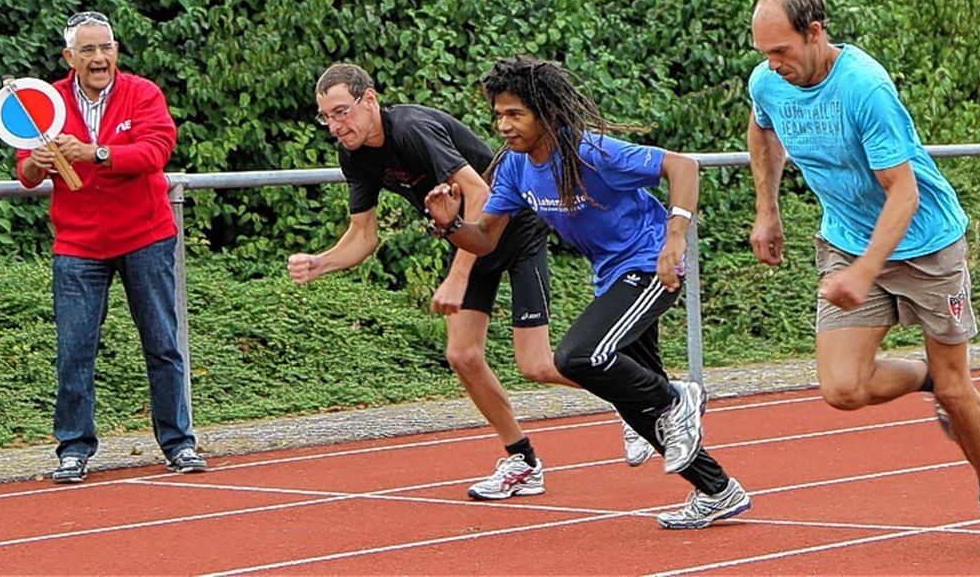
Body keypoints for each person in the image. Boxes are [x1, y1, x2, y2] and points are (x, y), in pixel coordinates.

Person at [747, 0, 980, 558]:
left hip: (925, 248)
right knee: (843, 391)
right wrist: (767, 211)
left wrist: (864, 274)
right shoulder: (768, 81)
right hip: (846, 243)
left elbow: (905, 194)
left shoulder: (865, 88)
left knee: (959, 386)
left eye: (782, 51)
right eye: (765, 52)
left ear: (815, 31)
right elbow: (762, 128)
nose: (774, 64)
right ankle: (928, 380)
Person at [425, 55, 752, 528]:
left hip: (652, 265)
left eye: (515, 114)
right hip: (613, 275)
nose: (503, 125)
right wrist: (451, 223)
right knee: (636, 403)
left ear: (546, 113)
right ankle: (718, 490)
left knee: (580, 356)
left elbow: (683, 167)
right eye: (498, 114)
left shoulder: (590, 151)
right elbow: (486, 238)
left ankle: (679, 396)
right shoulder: (516, 169)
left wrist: (676, 237)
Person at [288, 63, 587, 500]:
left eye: (342, 112)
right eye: (326, 117)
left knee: (536, 364)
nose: (335, 126)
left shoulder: (411, 128)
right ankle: (523, 461)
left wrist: (455, 277)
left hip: (511, 227)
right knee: (463, 355)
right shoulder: (353, 155)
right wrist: (323, 263)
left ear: (369, 100)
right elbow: (363, 236)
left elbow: (480, 192)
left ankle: (646, 394)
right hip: (465, 234)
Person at [16, 11, 206, 483]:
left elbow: (156, 151)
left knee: (163, 343)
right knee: (74, 348)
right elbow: (25, 171)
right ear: (69, 57)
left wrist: (96, 152)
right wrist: (39, 163)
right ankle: (74, 449)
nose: (99, 58)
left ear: (117, 51)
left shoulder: (143, 93)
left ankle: (179, 443)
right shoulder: (48, 101)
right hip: (78, 244)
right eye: (88, 50)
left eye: (106, 48)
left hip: (146, 235)